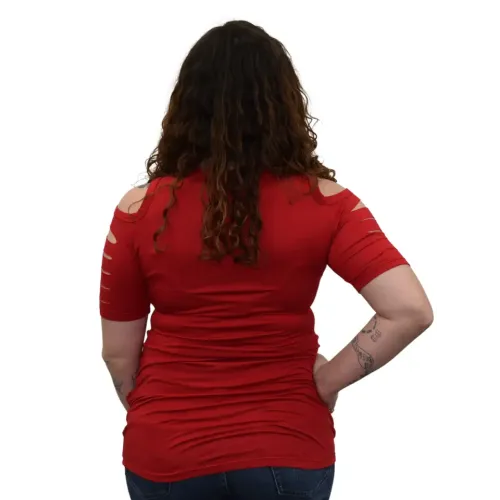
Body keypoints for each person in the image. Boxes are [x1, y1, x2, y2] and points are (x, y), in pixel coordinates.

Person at [99, 20, 433, 500]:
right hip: (288, 451)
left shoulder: (137, 210)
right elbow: (409, 310)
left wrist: (164, 419)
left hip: (167, 454)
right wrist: (327, 381)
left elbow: (118, 355)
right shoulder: (328, 204)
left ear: (187, 106)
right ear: (284, 105)